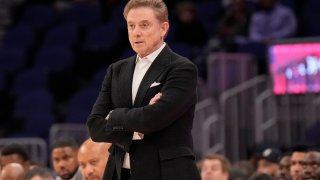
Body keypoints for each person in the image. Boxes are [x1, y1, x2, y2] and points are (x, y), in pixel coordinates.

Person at [86, 0, 200, 179]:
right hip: (118, 172)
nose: (136, 32)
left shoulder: (182, 68)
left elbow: (153, 119)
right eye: (131, 26)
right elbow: (95, 127)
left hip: (166, 173)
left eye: (144, 25)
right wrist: (137, 128)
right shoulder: (116, 69)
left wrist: (115, 116)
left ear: (163, 28)